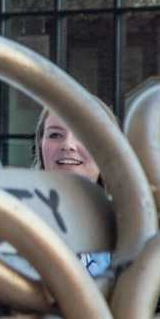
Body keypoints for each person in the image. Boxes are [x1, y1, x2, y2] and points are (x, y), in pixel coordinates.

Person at [32, 107, 110, 276]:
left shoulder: (132, 222)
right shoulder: (13, 215)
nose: (68, 145)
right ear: (40, 144)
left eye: (84, 136)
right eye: (55, 135)